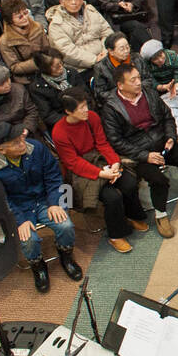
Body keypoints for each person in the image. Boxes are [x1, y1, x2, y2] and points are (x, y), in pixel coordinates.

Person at [100, 63, 178, 237]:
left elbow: (167, 117)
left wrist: (171, 137)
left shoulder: (149, 93)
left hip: (162, 142)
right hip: (138, 153)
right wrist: (145, 156)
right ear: (120, 85)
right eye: (133, 80)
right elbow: (116, 141)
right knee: (159, 180)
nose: (138, 82)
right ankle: (161, 214)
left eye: (139, 78)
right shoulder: (111, 108)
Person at [0, 122, 82, 293]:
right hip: (19, 209)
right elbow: (1, 200)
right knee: (29, 240)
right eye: (15, 143)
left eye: (20, 138)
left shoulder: (36, 148)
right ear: (1, 150)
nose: (22, 143)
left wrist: (54, 202)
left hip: (45, 200)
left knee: (65, 226)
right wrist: (19, 220)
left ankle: (66, 256)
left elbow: (53, 177)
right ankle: (38, 266)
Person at [53, 87, 149, 254]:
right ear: (68, 111)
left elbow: (102, 143)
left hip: (100, 160)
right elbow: (73, 163)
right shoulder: (59, 132)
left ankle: (132, 215)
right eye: (81, 108)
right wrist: (101, 174)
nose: (86, 110)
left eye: (85, 105)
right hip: (81, 171)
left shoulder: (92, 118)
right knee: (112, 197)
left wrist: (114, 163)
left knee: (129, 182)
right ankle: (116, 235)